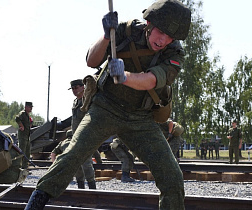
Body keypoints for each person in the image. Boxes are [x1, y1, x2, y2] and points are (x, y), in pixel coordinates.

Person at [24, 1, 191, 209]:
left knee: (172, 176)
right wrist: (105, 35)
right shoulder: (125, 31)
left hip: (140, 119)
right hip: (105, 109)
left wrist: (124, 76)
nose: (163, 40)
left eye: (170, 36)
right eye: (161, 32)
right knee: (70, 157)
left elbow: (153, 80)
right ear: (149, 23)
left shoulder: (174, 53)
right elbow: (92, 61)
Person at [69, 79, 97, 189]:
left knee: (86, 163)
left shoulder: (88, 100)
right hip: (75, 137)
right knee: (77, 164)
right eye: (72, 89)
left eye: (76, 88)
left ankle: (92, 188)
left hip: (85, 136)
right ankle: (81, 188)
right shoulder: (76, 102)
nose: (74, 91)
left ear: (83, 87)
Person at [15, 102, 33, 169]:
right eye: (30, 107)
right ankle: (19, 166)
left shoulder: (27, 115)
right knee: (22, 151)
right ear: (26, 107)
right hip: (22, 136)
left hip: (27, 136)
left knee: (27, 152)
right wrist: (21, 126)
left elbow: (29, 123)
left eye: (31, 107)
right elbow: (17, 118)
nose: (31, 108)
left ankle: (25, 167)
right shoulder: (22, 113)